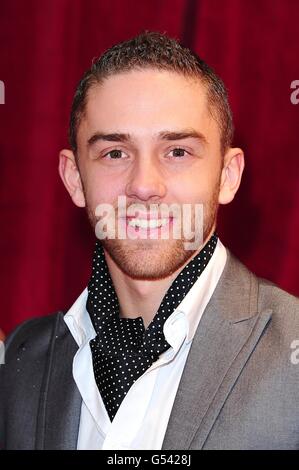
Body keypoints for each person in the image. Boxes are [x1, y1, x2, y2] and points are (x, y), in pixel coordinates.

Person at [1, 31, 299, 451]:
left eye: (177, 151)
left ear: (228, 175)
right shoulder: (18, 360)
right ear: (74, 178)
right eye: (115, 153)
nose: (144, 186)